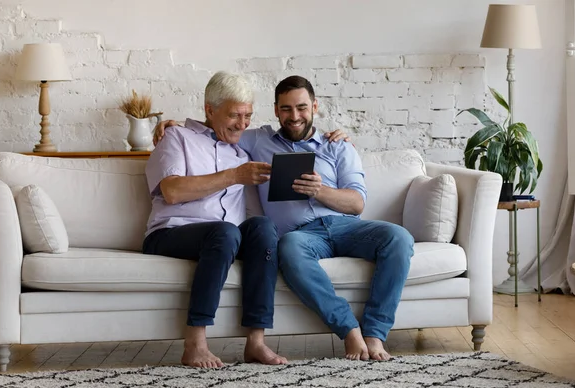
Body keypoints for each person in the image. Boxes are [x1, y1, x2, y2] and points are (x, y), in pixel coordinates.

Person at [155, 75, 413, 362]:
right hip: (300, 236)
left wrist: (321, 191)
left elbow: (356, 204)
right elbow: (219, 127)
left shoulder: (338, 145)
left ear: (315, 107)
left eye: (302, 108)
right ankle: (350, 330)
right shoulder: (254, 139)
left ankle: (375, 335)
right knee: (286, 248)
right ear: (276, 110)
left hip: (345, 226)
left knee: (398, 237)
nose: (295, 116)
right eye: (287, 109)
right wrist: (174, 123)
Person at [143, 71, 285, 368]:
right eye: (235, 115)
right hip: (171, 234)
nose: (243, 124)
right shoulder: (177, 137)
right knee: (225, 233)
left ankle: (256, 342)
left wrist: (335, 137)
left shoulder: (240, 151)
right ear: (209, 109)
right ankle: (195, 344)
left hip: (224, 238)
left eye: (248, 116)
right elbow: (172, 190)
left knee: (261, 228)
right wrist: (233, 176)